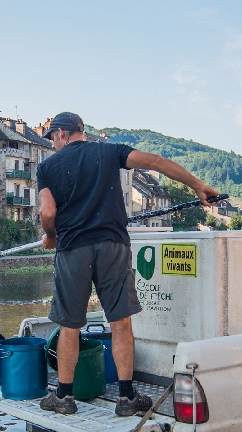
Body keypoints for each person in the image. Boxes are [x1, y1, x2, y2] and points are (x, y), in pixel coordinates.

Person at [36, 112, 218, 416]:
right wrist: (198, 186)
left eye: (52, 138)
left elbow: (48, 212)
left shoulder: (47, 167)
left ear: (62, 134)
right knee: (120, 322)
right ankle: (126, 398)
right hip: (112, 245)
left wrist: (51, 237)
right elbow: (157, 162)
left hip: (73, 249)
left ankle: (64, 397)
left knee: (70, 325)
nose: (53, 144)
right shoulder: (110, 151)